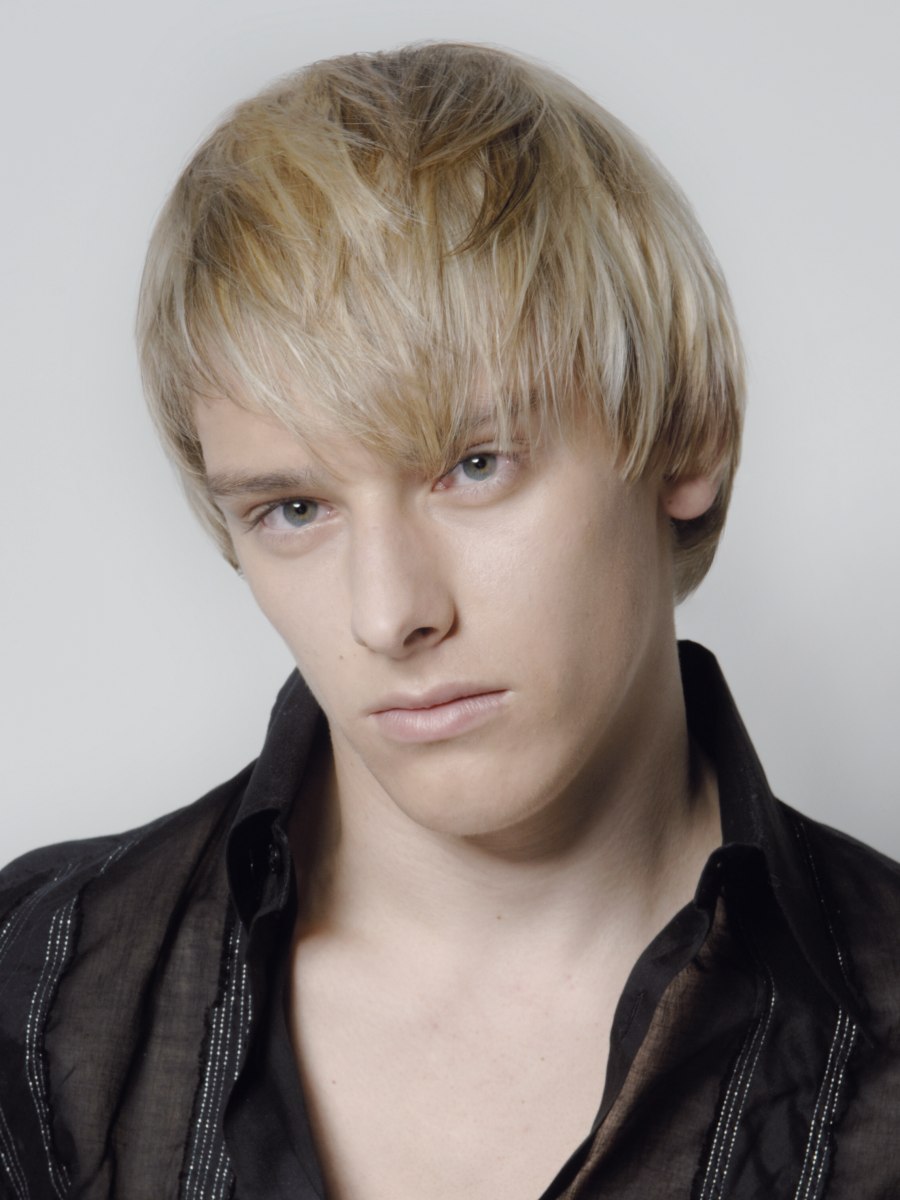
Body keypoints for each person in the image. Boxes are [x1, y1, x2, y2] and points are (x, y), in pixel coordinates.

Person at [1, 40, 898, 1200]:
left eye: (473, 466)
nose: (390, 615)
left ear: (688, 435)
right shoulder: (33, 993)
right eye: (294, 508)